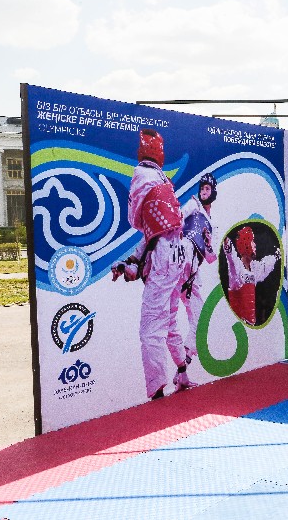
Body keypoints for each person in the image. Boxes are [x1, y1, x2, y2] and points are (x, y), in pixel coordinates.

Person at [111, 129, 194, 399]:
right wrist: (129, 264)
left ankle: (157, 388)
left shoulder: (141, 175)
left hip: (163, 257)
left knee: (150, 328)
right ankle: (182, 370)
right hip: (176, 255)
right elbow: (153, 236)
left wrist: (131, 265)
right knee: (169, 319)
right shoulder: (163, 179)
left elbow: (135, 221)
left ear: (141, 152)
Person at [179, 173, 218, 362]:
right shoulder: (194, 204)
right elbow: (178, 217)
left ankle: (186, 354)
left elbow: (211, 257)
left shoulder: (212, 225)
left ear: (213, 192)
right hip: (180, 255)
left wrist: (208, 243)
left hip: (193, 271)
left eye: (207, 189)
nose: (203, 191)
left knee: (200, 315)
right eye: (202, 188)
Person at [224, 226, 279, 325]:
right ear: (245, 244)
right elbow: (231, 258)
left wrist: (276, 256)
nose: (255, 245)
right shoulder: (237, 268)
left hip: (250, 324)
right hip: (238, 323)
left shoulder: (254, 268)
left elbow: (265, 266)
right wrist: (226, 242)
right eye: (252, 241)